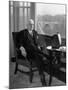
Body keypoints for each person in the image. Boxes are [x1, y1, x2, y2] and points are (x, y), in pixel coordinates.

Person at [18, 19, 50, 86]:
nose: (31, 25)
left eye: (32, 24)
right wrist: (22, 49)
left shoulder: (35, 32)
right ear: (27, 25)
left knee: (39, 55)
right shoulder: (23, 33)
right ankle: (46, 57)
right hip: (28, 52)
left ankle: (42, 77)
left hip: (35, 52)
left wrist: (38, 45)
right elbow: (19, 44)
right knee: (40, 54)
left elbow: (37, 42)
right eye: (30, 24)